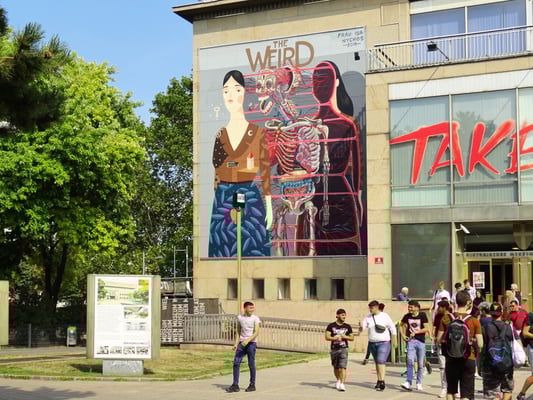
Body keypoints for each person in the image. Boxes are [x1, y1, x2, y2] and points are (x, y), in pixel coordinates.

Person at [209, 70, 272, 257]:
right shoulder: (220, 135)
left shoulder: (257, 133)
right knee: (222, 248)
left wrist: (269, 205)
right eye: (226, 91)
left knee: (253, 247)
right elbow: (216, 172)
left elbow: (265, 170)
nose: (230, 95)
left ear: (244, 92)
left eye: (236, 89)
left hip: (248, 194)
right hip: (223, 197)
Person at [437, 290, 482, 400]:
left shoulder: (446, 318)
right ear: (468, 303)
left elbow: (438, 340)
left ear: (456, 302)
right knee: (466, 394)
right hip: (468, 357)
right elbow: (480, 343)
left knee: (451, 390)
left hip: (451, 358)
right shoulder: (474, 320)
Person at [360, 300, 397, 391]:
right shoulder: (368, 317)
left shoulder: (385, 316)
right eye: (369, 308)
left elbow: (392, 328)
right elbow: (362, 328)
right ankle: (379, 380)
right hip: (372, 343)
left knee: (381, 361)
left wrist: (394, 340)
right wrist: (360, 326)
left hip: (384, 342)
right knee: (377, 363)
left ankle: (382, 381)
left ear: (377, 307)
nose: (370, 310)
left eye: (372, 308)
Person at [226, 301, 261, 393]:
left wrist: (248, 340)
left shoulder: (255, 319)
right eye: (250, 308)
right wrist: (235, 344)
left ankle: (252, 385)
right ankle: (235, 385)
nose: (252, 309)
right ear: (245, 308)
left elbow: (256, 332)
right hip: (242, 344)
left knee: (251, 364)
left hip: (251, 344)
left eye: (253, 308)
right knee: (236, 362)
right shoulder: (240, 318)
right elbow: (238, 331)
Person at [482, 302, 514, 400]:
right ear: (501, 313)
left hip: (490, 363)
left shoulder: (486, 327)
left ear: (490, 313)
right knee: (507, 390)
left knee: (491, 393)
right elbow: (513, 343)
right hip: (506, 363)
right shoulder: (508, 327)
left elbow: (481, 346)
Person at [400, 300, 430, 392]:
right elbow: (401, 325)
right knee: (410, 361)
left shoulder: (422, 315)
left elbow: (426, 328)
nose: (409, 309)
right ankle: (408, 382)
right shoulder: (406, 316)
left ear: (417, 307)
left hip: (421, 342)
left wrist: (416, 332)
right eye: (409, 307)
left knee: (420, 364)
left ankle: (419, 382)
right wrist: (403, 335)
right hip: (411, 342)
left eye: (411, 307)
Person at [325, 308, 354, 391]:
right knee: (336, 367)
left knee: (343, 367)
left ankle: (342, 384)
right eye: (342, 315)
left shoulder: (347, 326)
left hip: (344, 348)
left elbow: (352, 338)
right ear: (337, 315)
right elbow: (327, 337)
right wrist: (335, 338)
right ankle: (338, 380)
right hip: (334, 349)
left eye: (345, 315)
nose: (344, 316)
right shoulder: (331, 326)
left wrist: (345, 336)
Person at [434, 300, 452, 398]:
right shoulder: (437, 317)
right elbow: (435, 329)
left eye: (439, 307)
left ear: (444, 308)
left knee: (453, 367)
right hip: (441, 344)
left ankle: (454, 388)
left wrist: (438, 341)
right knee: (442, 367)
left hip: (451, 345)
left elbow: (440, 332)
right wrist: (436, 341)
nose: (438, 309)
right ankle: (444, 388)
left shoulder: (452, 316)